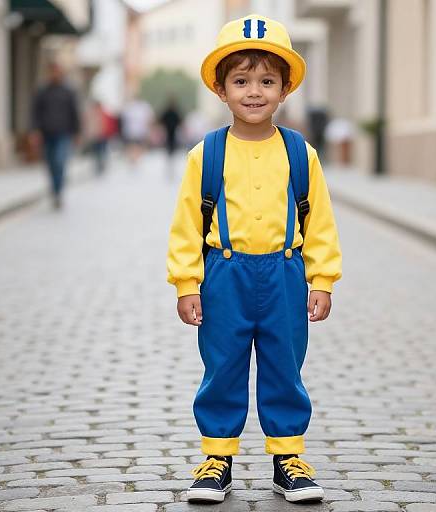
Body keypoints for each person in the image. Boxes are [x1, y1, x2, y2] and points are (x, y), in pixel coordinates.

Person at [166, 14, 342, 504]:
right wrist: (187, 283)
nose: (254, 92)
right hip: (225, 273)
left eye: (267, 81)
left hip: (285, 272)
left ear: (285, 88)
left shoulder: (299, 152)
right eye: (241, 80)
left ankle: (288, 458)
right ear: (221, 89)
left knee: (284, 365)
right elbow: (186, 225)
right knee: (222, 365)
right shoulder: (207, 154)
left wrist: (322, 278)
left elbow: (320, 222)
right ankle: (216, 459)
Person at [31, 62, 80, 209]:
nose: (54, 75)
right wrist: (34, 131)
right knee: (50, 164)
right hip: (46, 133)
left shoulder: (68, 91)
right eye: (52, 72)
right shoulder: (42, 91)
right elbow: (35, 113)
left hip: (63, 134)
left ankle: (58, 192)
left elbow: (74, 113)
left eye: (57, 72)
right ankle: (54, 190)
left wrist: (76, 132)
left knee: (60, 162)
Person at [120, 96, 154, 164]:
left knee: (137, 146)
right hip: (130, 132)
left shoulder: (144, 106)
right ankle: (133, 159)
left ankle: (136, 159)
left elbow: (150, 119)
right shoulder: (128, 106)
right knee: (132, 146)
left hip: (139, 132)